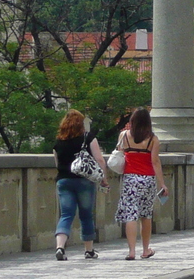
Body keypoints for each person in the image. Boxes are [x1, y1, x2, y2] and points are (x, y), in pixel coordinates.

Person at [52, 109, 108, 260]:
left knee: (66, 215)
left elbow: (57, 163)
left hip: (64, 180)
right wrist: (104, 178)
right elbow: (100, 159)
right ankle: (89, 250)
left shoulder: (59, 141)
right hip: (84, 181)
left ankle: (60, 247)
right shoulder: (88, 138)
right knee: (85, 215)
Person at [113, 108, 165, 260]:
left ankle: (131, 251)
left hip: (130, 179)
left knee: (131, 214)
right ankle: (145, 249)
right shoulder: (153, 139)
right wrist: (162, 183)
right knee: (145, 215)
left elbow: (119, 153)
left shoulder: (124, 136)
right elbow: (155, 162)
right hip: (147, 179)